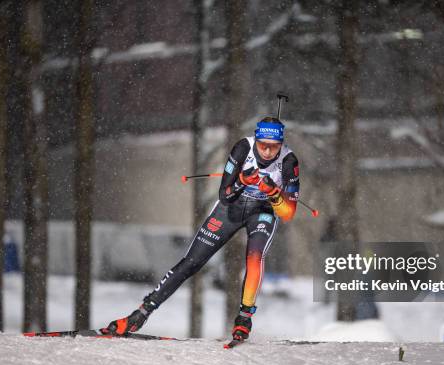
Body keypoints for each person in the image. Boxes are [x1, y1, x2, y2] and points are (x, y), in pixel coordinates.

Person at [103, 116, 300, 341]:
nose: (267, 152)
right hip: (231, 208)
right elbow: (224, 195)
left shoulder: (288, 161)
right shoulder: (243, 148)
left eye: (273, 147)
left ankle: (244, 318)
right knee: (191, 262)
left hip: (262, 211)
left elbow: (288, 212)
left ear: (281, 144)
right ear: (256, 139)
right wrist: (242, 182)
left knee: (255, 258)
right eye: (263, 145)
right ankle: (141, 313)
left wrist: (274, 193)